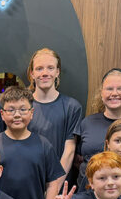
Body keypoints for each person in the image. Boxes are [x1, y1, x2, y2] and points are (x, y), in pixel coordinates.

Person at [26, 48, 83, 184]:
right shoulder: (23, 107)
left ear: (57, 72)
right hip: (29, 180)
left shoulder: (72, 107)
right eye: (39, 69)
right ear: (32, 73)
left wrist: (55, 187)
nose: (45, 73)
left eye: (50, 68)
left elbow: (69, 150)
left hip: (60, 183)